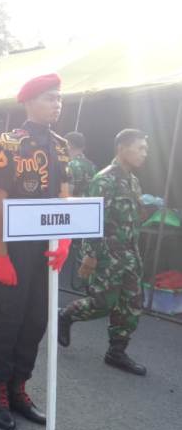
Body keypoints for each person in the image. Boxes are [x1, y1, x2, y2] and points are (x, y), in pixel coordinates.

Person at [0, 73, 71, 430]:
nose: (57, 104)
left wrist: (65, 240)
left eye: (59, 98)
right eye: (50, 97)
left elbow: (66, 194)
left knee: (37, 319)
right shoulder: (7, 142)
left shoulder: (61, 145)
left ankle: (20, 388)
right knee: (10, 318)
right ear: (29, 101)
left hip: (47, 249)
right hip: (16, 248)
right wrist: (1, 255)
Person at [58, 129, 148, 376]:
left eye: (145, 149)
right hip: (107, 254)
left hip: (130, 253)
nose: (144, 154)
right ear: (122, 148)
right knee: (102, 302)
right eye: (139, 148)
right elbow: (92, 221)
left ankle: (116, 352)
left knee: (131, 304)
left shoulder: (133, 181)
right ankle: (66, 315)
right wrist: (91, 256)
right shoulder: (103, 179)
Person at [65, 131, 97, 197]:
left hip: (75, 205)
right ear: (83, 147)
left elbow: (67, 194)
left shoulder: (69, 166)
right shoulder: (92, 166)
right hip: (91, 204)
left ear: (69, 145)